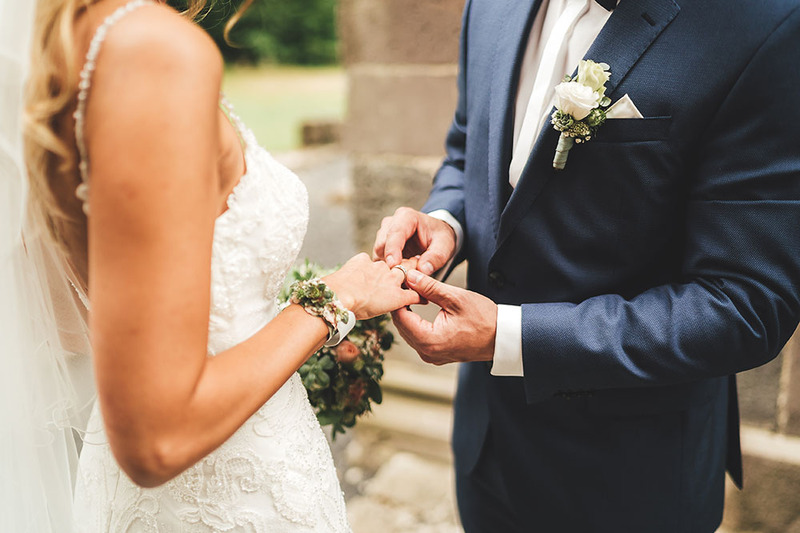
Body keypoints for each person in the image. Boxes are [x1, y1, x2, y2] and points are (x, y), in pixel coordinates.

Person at [373, 0, 800, 531]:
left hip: (631, 480)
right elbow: (467, 149)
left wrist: (507, 335)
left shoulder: (765, 24)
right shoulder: (488, 6)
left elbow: (745, 304)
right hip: (486, 446)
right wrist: (446, 222)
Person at [3, 0, 421, 530]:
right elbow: (159, 436)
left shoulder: (60, 47)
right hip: (228, 497)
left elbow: (78, 316)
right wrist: (331, 302)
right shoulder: (152, 52)